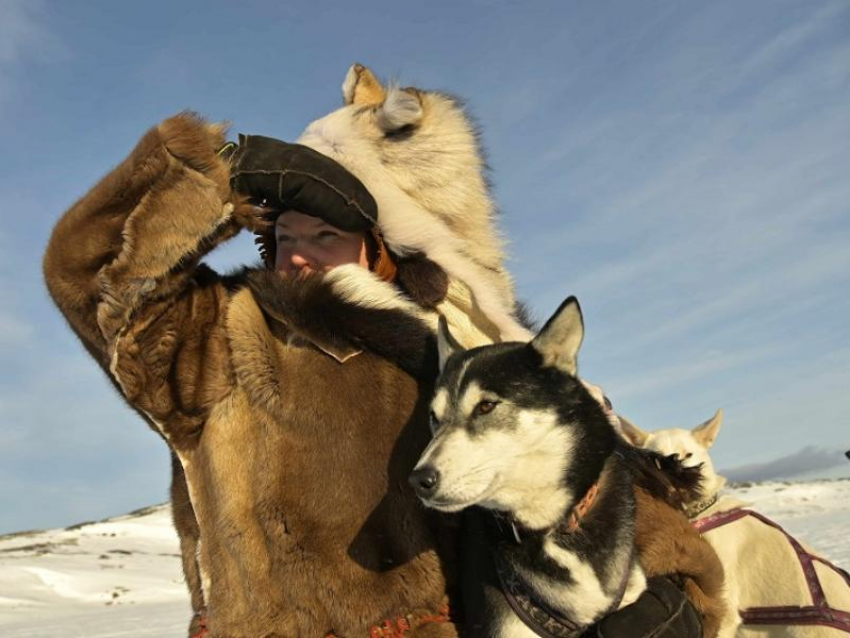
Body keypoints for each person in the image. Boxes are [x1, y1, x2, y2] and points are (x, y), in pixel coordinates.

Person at [44, 67, 705, 638]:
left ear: (377, 249)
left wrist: (669, 577)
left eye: (325, 234)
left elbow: (575, 473)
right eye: (282, 237)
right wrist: (200, 183)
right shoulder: (220, 340)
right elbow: (88, 277)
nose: (296, 254)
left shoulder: (453, 352)